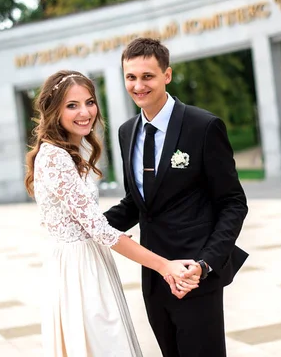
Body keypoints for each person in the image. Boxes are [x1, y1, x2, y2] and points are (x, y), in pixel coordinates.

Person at [24, 70, 199, 357]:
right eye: (72, 105)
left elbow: (90, 221)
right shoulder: (55, 156)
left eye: (89, 102)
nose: (85, 112)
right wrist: (164, 266)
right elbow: (100, 230)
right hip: (79, 270)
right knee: (101, 342)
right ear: (53, 110)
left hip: (87, 261)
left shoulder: (68, 151)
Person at [104, 38, 249, 357]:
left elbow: (233, 203)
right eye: (131, 77)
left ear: (166, 75)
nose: (138, 85)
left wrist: (205, 263)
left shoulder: (203, 126)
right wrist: (91, 224)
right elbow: (137, 202)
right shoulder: (127, 132)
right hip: (155, 275)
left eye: (147, 76)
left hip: (193, 275)